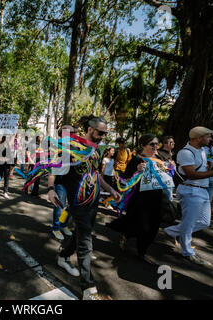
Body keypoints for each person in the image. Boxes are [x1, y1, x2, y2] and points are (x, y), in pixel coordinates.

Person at [47, 116, 122, 300]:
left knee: (81, 234)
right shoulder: (71, 147)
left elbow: (96, 175)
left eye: (105, 133)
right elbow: (54, 169)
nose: (103, 136)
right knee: (86, 242)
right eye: (100, 132)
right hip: (77, 202)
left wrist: (111, 189)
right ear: (90, 129)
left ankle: (63, 256)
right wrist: (50, 189)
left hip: (93, 201)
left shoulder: (96, 151)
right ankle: (88, 288)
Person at [163, 127, 213, 265]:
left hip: (202, 190)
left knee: (205, 221)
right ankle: (187, 252)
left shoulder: (202, 151)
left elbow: (204, 169)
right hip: (191, 190)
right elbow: (192, 175)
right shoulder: (185, 152)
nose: (211, 139)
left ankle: (170, 231)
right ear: (199, 137)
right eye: (208, 137)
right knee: (188, 223)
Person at [107, 134, 169, 264]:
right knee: (138, 223)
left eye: (157, 144)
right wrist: (136, 170)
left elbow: (168, 175)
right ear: (143, 145)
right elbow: (125, 177)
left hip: (157, 196)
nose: (155, 146)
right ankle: (126, 235)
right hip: (140, 198)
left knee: (153, 226)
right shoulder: (136, 160)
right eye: (152, 144)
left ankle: (142, 251)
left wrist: (171, 168)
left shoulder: (160, 158)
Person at [50, 125, 75, 241]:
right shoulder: (57, 148)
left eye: (73, 133)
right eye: (70, 133)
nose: (72, 135)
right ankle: (56, 227)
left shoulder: (77, 148)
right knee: (60, 206)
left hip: (73, 183)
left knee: (71, 207)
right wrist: (50, 188)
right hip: (61, 182)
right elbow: (53, 169)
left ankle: (63, 224)